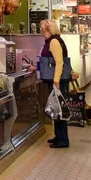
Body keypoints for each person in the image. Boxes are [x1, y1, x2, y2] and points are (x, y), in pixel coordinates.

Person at [30, 19, 69, 148]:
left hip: (57, 81)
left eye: (43, 30)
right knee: (56, 109)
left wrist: (56, 80)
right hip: (55, 80)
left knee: (59, 110)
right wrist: (37, 68)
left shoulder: (54, 42)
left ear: (49, 30)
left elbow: (59, 62)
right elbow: (49, 62)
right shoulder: (53, 41)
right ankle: (58, 136)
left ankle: (63, 140)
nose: (42, 33)